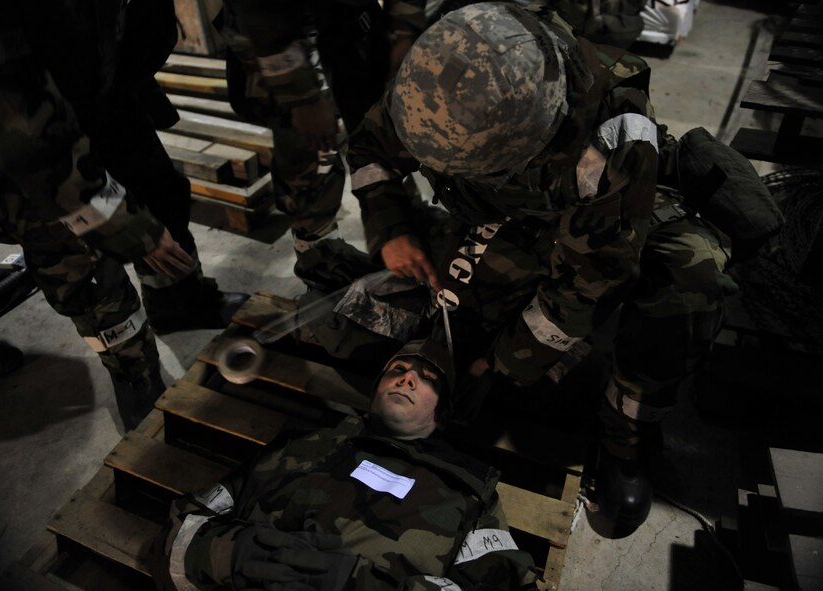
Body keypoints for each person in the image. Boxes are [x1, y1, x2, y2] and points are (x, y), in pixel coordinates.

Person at [346, 2, 733, 535]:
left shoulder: (612, 141)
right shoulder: (445, 71)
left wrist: (500, 366)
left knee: (688, 283)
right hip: (504, 204)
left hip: (611, 212)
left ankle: (626, 435)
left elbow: (589, 284)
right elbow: (369, 148)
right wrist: (392, 228)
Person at [0, 2, 246, 430]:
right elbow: (28, 133)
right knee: (80, 264)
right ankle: (136, 376)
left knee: (161, 196)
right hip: (24, 147)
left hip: (101, 99)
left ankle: (177, 303)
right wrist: (116, 221)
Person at [150, 338, 540, 590]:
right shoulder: (303, 443)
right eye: (398, 370)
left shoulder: (468, 488)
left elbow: (502, 583)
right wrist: (246, 557)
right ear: (374, 393)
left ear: (442, 413)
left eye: (427, 379)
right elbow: (178, 537)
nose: (407, 380)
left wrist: (351, 582)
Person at [215, 0, 430, 287]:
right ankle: (320, 257)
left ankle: (400, 226)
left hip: (350, 19)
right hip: (282, 39)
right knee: (315, 149)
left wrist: (405, 30)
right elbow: (262, 14)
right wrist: (302, 97)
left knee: (380, 125)